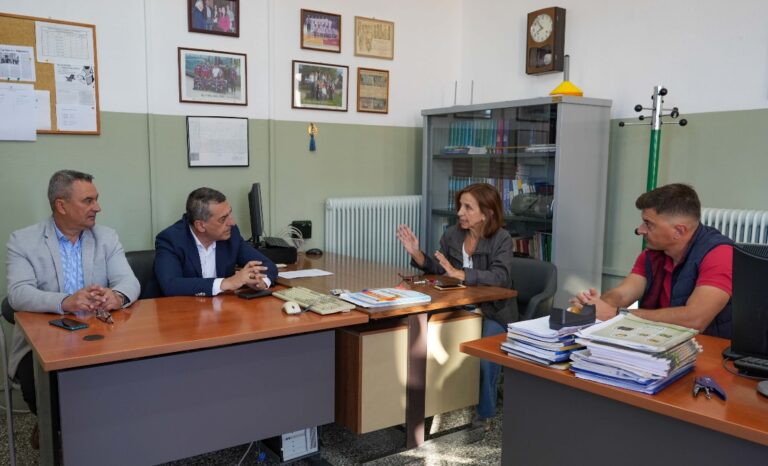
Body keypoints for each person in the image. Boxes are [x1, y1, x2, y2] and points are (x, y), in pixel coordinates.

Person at [6, 169, 140, 448]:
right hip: (42, 340)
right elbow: (17, 294)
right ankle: (53, 428)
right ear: (61, 205)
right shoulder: (23, 241)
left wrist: (116, 296)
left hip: (100, 336)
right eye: (88, 201)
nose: (97, 207)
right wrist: (65, 301)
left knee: (133, 374)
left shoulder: (106, 237)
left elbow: (129, 281)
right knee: (44, 390)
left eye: (96, 199)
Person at [396, 183, 515, 426]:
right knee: (428, 347)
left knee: (484, 360)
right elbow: (441, 270)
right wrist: (417, 254)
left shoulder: (502, 238)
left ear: (487, 213)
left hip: (494, 311)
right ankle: (430, 406)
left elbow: (500, 277)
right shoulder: (453, 234)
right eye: (460, 206)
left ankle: (485, 415)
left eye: (468, 207)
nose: (460, 212)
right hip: (459, 308)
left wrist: (461, 274)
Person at [571, 183, 733, 338]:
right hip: (661, 341)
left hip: (709, 347)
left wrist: (616, 314)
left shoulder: (720, 254)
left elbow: (695, 319)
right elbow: (622, 295)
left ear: (678, 231)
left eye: (648, 224)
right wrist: (594, 305)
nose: (639, 230)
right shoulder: (653, 254)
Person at [154, 187, 277, 297]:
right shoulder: (171, 239)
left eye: (229, 214)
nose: (232, 223)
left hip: (220, 309)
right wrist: (226, 283)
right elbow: (171, 285)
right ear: (200, 225)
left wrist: (260, 282)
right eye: (223, 219)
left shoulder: (231, 234)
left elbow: (268, 265)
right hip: (181, 311)